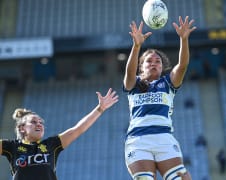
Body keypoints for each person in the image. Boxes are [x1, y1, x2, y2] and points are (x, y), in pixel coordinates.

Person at [123, 16, 196, 180]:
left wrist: (183, 40)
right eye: (149, 61)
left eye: (158, 61)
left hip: (164, 138)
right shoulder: (133, 83)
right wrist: (136, 46)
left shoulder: (168, 83)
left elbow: (182, 65)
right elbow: (129, 71)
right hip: (138, 140)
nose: (154, 63)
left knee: (182, 178)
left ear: (162, 67)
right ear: (141, 67)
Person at [0, 88, 118, 180]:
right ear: (22, 129)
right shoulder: (11, 147)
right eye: (33, 122)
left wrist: (100, 108)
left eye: (41, 122)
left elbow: (78, 129)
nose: (39, 124)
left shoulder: (51, 145)